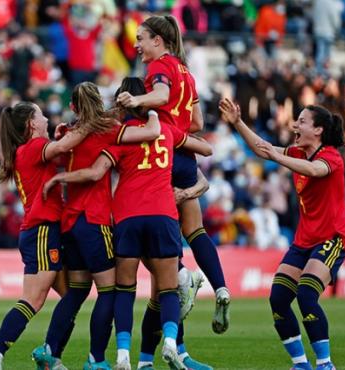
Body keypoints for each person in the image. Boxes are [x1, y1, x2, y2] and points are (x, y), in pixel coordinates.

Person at [44, 77, 213, 370]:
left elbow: (93, 169)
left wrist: (60, 174)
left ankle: (116, 353)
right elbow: (201, 147)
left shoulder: (99, 137)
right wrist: (152, 112)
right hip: (150, 215)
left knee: (116, 289)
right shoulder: (132, 132)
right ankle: (169, 346)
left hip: (113, 219)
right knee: (166, 287)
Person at [116, 14, 228, 369]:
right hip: (183, 153)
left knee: (164, 279)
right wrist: (176, 125)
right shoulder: (187, 72)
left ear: (159, 41)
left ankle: (161, 352)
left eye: (141, 39)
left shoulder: (159, 69)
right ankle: (219, 287)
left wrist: (140, 104)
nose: (137, 46)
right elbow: (198, 124)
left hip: (158, 162)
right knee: (195, 233)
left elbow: (161, 94)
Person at [33, 81, 163, 370]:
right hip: (95, 220)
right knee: (110, 290)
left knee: (78, 290)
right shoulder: (108, 132)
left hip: (70, 222)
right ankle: (96, 359)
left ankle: (49, 349)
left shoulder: (67, 132)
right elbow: (153, 132)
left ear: (72, 107)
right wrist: (152, 107)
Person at [219, 99, 345, 370]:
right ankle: (300, 364)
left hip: (332, 238)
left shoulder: (330, 156)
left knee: (305, 295)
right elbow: (262, 149)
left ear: (319, 130)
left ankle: (325, 364)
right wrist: (238, 123)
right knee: (278, 298)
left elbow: (314, 170)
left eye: (301, 121)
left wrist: (279, 157)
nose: (294, 125)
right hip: (304, 241)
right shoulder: (298, 152)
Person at [0, 100, 89, 370]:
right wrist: (92, 123)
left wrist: (66, 133)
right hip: (42, 231)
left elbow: (62, 150)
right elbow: (62, 148)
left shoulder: (27, 151)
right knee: (33, 299)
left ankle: (51, 357)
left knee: (73, 296)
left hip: (42, 231)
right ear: (32, 124)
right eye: (42, 115)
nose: (47, 119)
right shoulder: (34, 147)